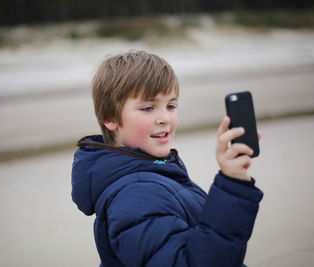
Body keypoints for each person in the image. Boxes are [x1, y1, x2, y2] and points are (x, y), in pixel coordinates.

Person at [71, 50, 263, 267]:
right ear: (110, 118)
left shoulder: (156, 174)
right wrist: (231, 188)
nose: (165, 118)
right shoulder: (134, 197)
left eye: (171, 106)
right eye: (148, 108)